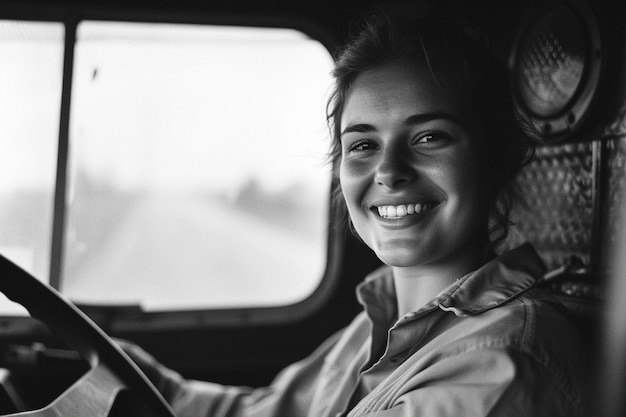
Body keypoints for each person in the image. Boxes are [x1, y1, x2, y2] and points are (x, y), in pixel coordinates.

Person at [121, 3, 589, 416]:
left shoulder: (499, 367)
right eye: (363, 144)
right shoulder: (377, 320)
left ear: (494, 160)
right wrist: (140, 379)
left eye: (429, 137)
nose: (388, 171)